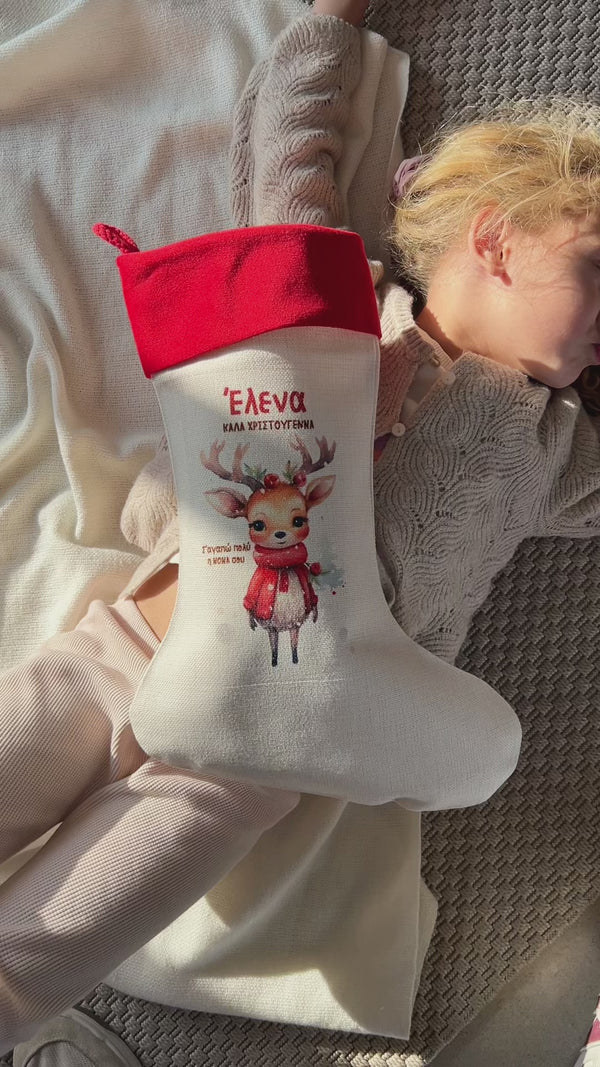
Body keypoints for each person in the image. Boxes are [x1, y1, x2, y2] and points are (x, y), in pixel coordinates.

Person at [5, 0, 599, 1059]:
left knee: (60, 935)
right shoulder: (346, 304)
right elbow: (286, 158)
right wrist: (329, 20)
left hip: (277, 731)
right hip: (142, 632)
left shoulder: (550, 447)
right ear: (496, 236)